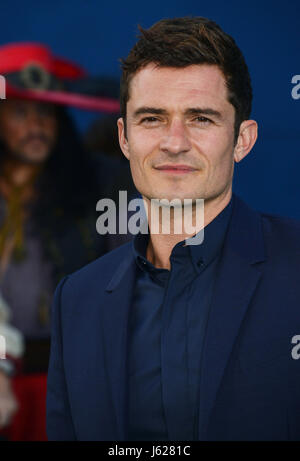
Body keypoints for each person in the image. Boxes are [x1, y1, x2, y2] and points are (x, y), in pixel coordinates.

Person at [46, 17, 300, 441]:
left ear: (243, 140)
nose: (174, 142)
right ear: (125, 138)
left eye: (201, 118)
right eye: (152, 119)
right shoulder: (76, 301)